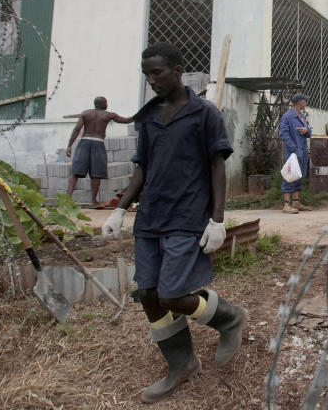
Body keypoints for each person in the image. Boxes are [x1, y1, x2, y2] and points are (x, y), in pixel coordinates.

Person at [101, 43, 247, 404]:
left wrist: (217, 219)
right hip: (150, 217)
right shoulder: (148, 117)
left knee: (172, 294)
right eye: (146, 74)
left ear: (178, 70)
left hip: (187, 216)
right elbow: (142, 168)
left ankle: (228, 318)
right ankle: (181, 364)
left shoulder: (203, 114)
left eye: (158, 73)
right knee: (149, 294)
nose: (151, 81)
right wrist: (120, 208)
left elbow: (217, 166)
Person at [65, 96, 133, 205]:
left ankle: (67, 199)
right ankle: (93, 201)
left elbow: (77, 129)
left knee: (75, 172)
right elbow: (126, 120)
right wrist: (139, 115)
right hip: (98, 143)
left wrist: (69, 146)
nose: (107, 104)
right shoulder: (109, 115)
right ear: (103, 103)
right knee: (96, 174)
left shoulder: (86, 113)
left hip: (84, 143)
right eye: (106, 102)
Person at [279, 92, 313, 214]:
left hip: (303, 151)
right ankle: (286, 204)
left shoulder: (301, 116)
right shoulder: (288, 116)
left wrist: (307, 131)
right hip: (293, 152)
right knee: (290, 175)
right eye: (305, 100)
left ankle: (296, 202)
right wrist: (294, 147)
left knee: (300, 175)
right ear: (299, 102)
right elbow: (283, 133)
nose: (306, 102)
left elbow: (309, 131)